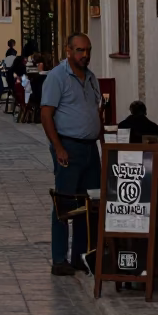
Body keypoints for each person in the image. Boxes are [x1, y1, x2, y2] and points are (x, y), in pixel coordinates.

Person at [40, 33, 102, 276]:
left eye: (87, 50)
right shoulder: (57, 77)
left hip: (89, 149)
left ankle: (80, 256)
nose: (84, 55)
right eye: (79, 50)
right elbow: (46, 115)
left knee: (89, 204)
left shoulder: (91, 78)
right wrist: (58, 148)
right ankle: (59, 259)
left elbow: (96, 110)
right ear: (68, 51)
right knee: (64, 205)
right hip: (68, 147)